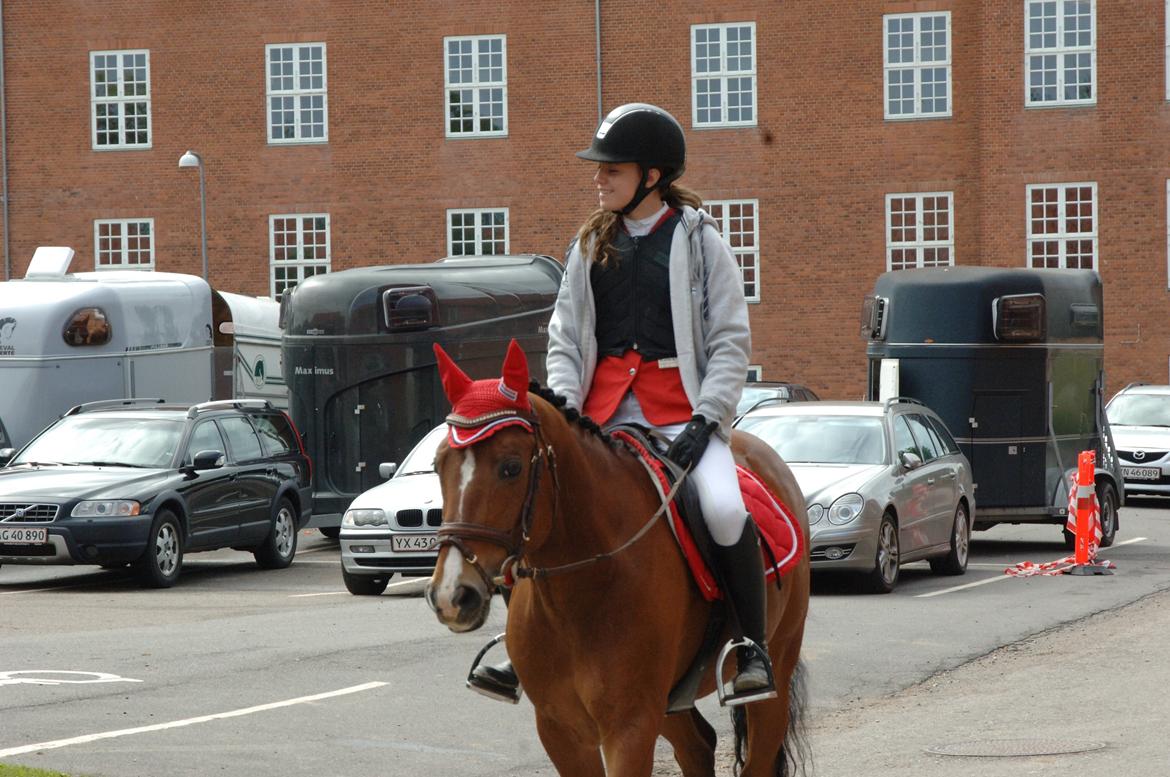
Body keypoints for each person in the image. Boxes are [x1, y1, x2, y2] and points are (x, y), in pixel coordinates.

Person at [468, 103, 775, 707]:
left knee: (722, 508)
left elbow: (730, 341)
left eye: (613, 169)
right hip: (601, 418)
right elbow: (564, 339)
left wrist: (707, 419)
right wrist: (564, 411)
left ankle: (750, 649)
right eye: (599, 169)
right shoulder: (587, 245)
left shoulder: (701, 242)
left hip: (681, 414)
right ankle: (517, 646)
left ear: (652, 176)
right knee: (533, 503)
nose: (599, 178)